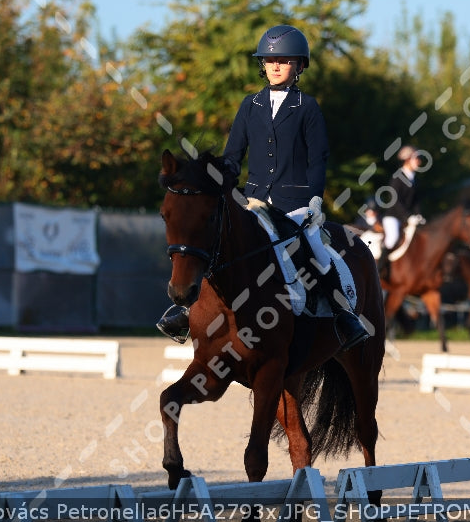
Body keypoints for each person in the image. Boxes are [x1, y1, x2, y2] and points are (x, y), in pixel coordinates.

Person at [157, 24, 369, 350]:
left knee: (313, 245)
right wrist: (212, 181)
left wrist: (314, 200)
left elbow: (318, 158)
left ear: (299, 66)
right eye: (270, 61)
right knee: (218, 245)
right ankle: (188, 311)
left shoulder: (307, 107)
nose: (275, 66)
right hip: (253, 200)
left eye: (283, 61)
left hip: (294, 202)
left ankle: (343, 313)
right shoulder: (250, 105)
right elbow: (232, 157)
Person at [377, 145, 423, 276]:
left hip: (409, 218)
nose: (419, 161)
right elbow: (395, 200)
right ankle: (379, 269)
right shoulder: (398, 177)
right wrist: (408, 216)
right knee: (392, 238)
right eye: (417, 159)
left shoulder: (414, 179)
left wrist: (419, 215)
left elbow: (416, 201)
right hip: (393, 216)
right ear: (408, 160)